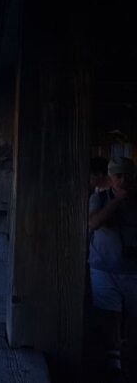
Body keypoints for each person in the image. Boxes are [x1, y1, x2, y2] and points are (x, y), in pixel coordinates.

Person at [89, 157, 137, 381]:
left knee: (130, 318)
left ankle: (127, 356)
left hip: (132, 270)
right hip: (103, 267)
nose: (123, 180)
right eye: (118, 176)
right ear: (110, 177)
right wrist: (116, 202)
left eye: (127, 175)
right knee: (110, 315)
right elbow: (93, 223)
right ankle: (114, 360)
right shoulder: (99, 198)